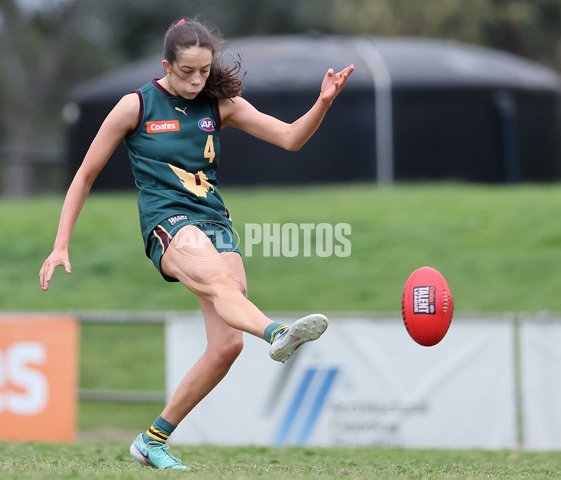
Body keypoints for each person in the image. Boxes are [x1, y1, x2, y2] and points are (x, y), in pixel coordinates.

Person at [39, 18, 354, 470]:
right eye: (186, 71)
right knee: (223, 285)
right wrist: (60, 244)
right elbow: (84, 175)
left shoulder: (218, 104)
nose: (195, 80)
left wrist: (323, 103)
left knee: (226, 346)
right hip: (168, 223)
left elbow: (289, 138)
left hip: (214, 221)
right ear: (167, 65)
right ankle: (277, 332)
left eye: (203, 71)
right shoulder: (136, 106)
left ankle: (152, 441)